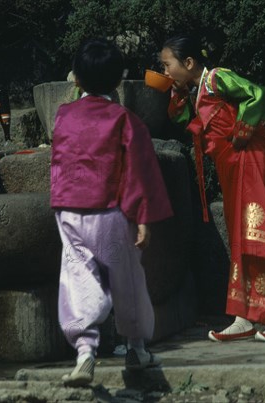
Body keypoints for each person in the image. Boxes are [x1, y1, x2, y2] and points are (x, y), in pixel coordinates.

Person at [51, 39, 174, 387]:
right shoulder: (125, 119)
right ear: (119, 79)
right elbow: (137, 171)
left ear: (76, 79)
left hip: (69, 210)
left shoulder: (64, 115)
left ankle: (85, 352)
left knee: (77, 277)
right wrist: (143, 217)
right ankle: (135, 348)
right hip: (110, 212)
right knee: (128, 279)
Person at [160, 34, 265, 342]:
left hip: (250, 160)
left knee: (259, 231)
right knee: (240, 236)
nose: (165, 72)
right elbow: (182, 118)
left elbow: (257, 94)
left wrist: (242, 131)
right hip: (231, 167)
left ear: (189, 62)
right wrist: (177, 92)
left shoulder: (219, 78)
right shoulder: (197, 90)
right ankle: (244, 316)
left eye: (167, 66)